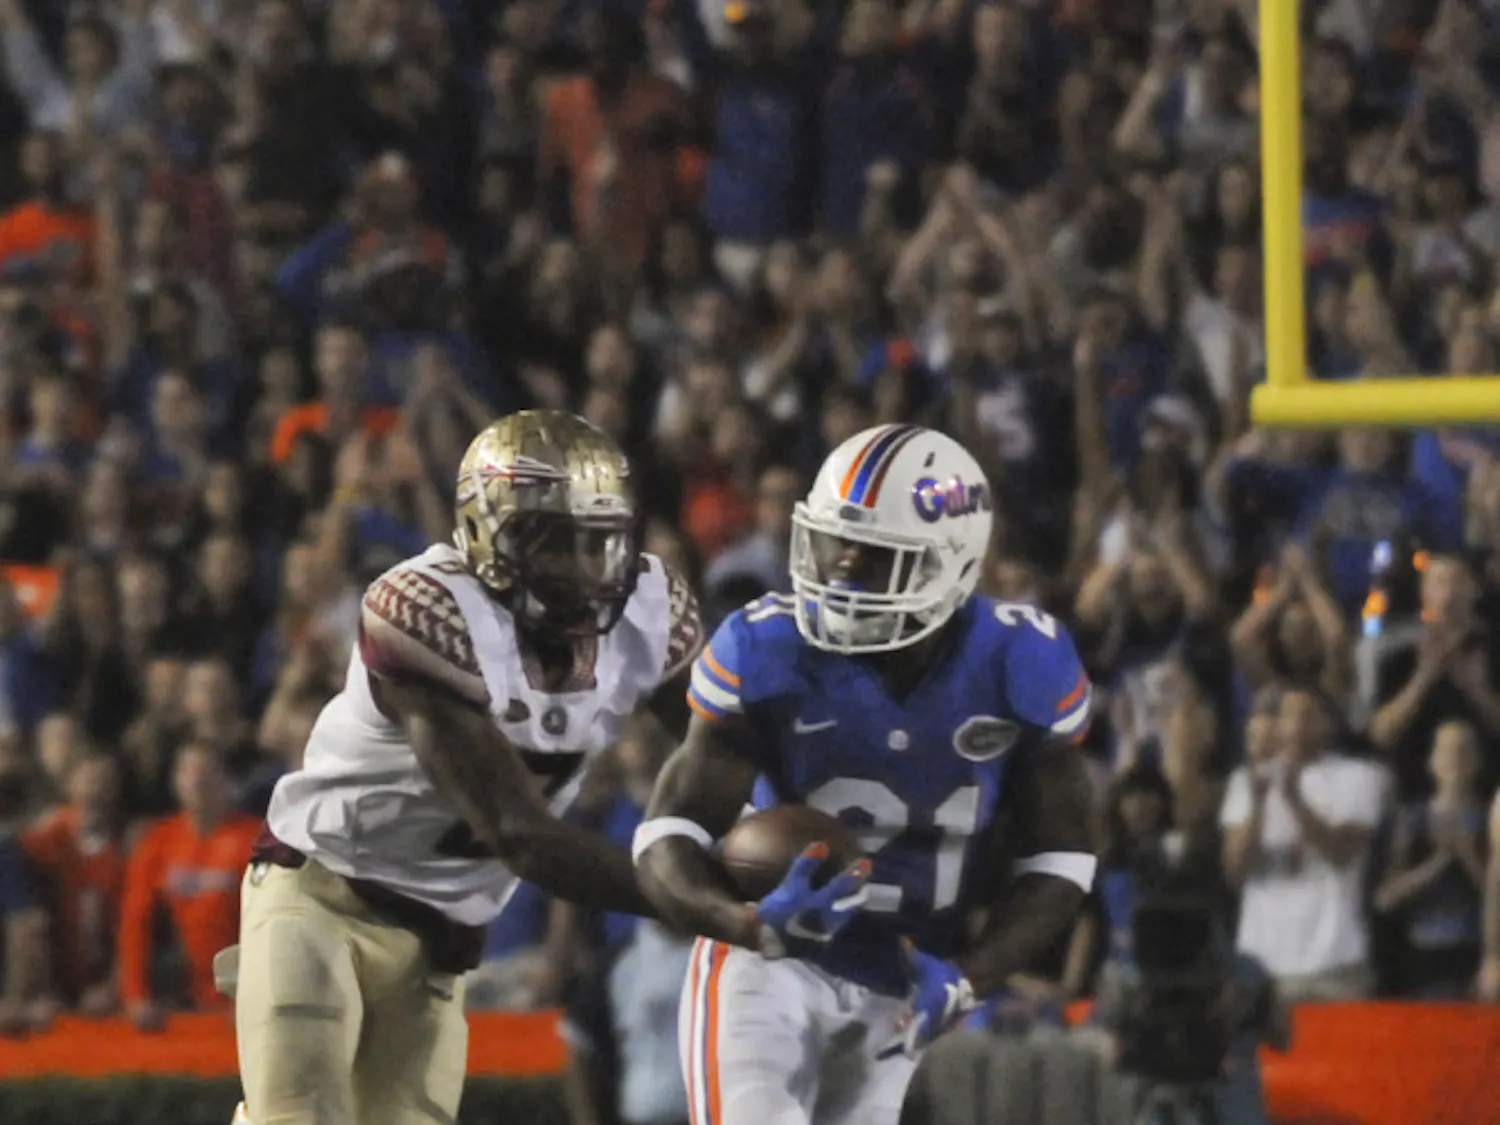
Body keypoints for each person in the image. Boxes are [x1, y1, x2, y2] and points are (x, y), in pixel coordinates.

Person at [228, 411, 704, 1125]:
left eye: (597, 542)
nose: (582, 570)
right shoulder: (429, 609)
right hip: (324, 893)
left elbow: (719, 748)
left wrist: (774, 836)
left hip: (440, 932)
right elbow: (522, 833)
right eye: (554, 542)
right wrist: (693, 892)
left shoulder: (648, 608)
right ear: (489, 532)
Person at [635, 424, 1097, 1125]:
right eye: (832, 544)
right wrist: (745, 920)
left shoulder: (1019, 661)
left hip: (904, 976)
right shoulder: (766, 644)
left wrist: (971, 978)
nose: (841, 570)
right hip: (769, 964)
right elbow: (666, 832)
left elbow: (1062, 858)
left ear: (951, 563)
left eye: (874, 555)